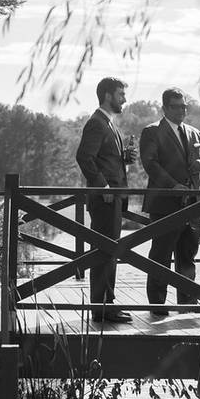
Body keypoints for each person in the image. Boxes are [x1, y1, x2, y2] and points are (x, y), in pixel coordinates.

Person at [140, 88, 200, 315]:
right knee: (160, 255)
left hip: (193, 204)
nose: (182, 110)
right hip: (164, 203)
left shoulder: (194, 132)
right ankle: (157, 305)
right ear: (164, 108)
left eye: (185, 106)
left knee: (188, 255)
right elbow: (150, 163)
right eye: (177, 106)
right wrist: (172, 186)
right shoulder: (152, 131)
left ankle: (188, 302)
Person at [75, 76, 138, 323]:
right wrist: (104, 186)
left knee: (109, 253)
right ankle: (102, 308)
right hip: (105, 201)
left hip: (113, 200)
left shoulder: (109, 123)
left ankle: (106, 304)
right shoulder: (97, 123)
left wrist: (125, 159)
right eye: (121, 94)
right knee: (104, 253)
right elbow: (84, 157)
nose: (124, 99)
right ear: (108, 95)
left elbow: (102, 159)